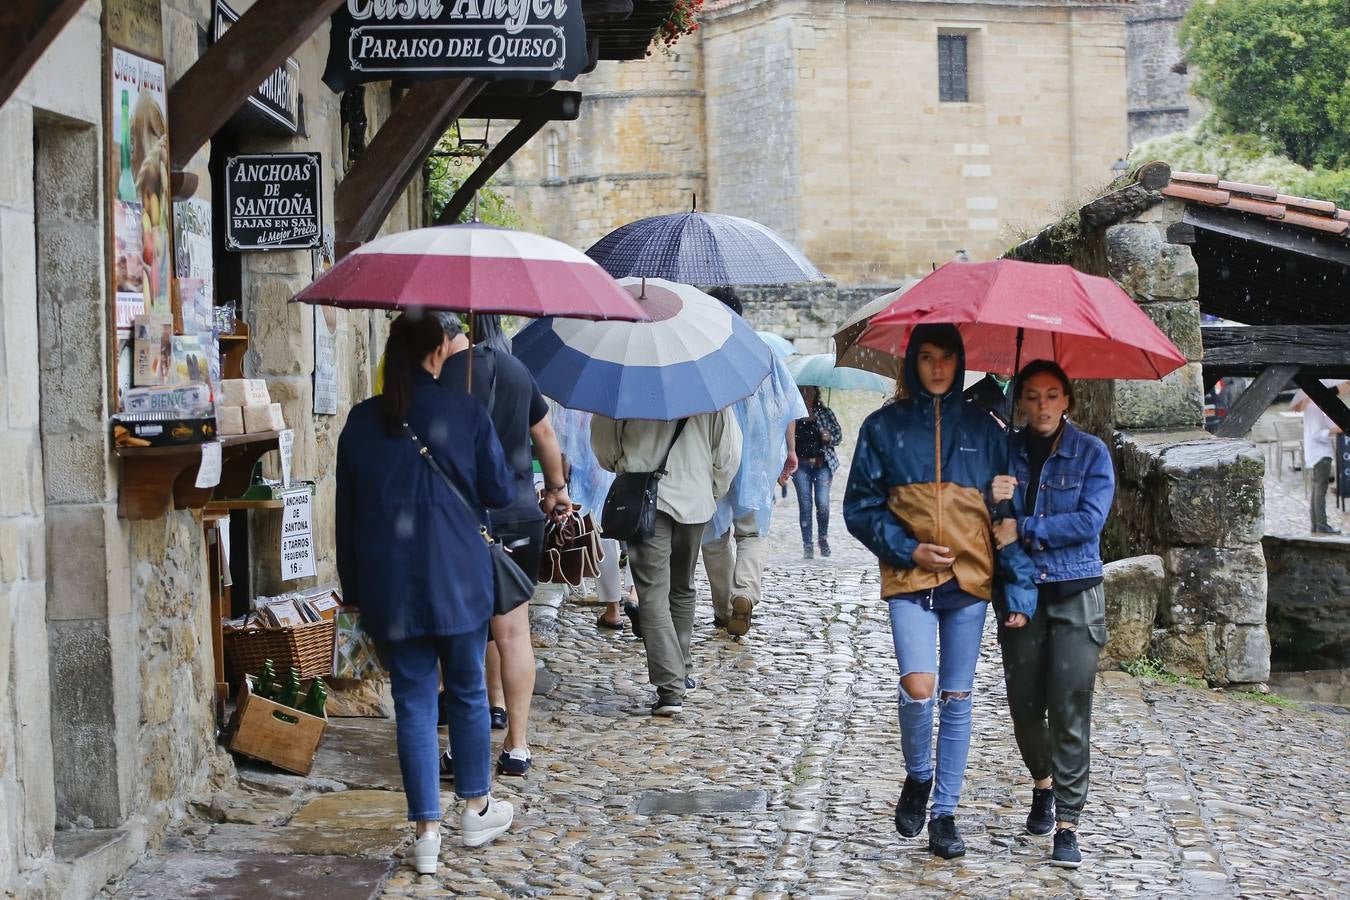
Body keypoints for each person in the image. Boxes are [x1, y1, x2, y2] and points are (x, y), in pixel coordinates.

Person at [843, 323, 1036, 860]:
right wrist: (909, 550)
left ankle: (945, 813)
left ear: (960, 361)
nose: (936, 367)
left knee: (957, 697)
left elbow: (1007, 518)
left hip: (969, 582)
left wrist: (1018, 591)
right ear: (912, 362)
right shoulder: (883, 429)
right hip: (910, 579)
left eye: (946, 357)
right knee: (918, 686)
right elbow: (859, 507)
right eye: (926, 357)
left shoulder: (987, 430)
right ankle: (919, 775)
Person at [335, 311, 516, 872]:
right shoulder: (465, 411)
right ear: (439, 349)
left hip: (391, 584)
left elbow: (346, 516)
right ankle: (476, 806)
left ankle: (426, 834)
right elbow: (499, 491)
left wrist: (354, 589)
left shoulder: (363, 421)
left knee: (414, 703)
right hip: (460, 577)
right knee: (465, 691)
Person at [990, 360, 1115, 870]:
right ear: (1020, 400)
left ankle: (1068, 821)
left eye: (1052, 395)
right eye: (1033, 396)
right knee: (1023, 707)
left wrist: (1025, 526)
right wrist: (993, 500)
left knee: (1069, 705)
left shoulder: (1092, 454)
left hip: (1075, 593)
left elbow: (1089, 521)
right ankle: (1042, 782)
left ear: (1068, 401)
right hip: (1021, 597)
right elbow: (991, 525)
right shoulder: (1005, 453)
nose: (1042, 406)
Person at [439, 313, 572, 778]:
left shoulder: (454, 371)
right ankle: (517, 747)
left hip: (464, 515)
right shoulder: (519, 372)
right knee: (514, 633)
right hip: (519, 512)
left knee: (466, 636)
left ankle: (464, 747)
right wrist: (556, 488)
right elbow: (545, 435)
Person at [592, 407, 742, 716]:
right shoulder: (708, 387)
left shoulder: (628, 379)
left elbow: (604, 446)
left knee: (652, 595)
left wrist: (628, 464)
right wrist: (710, 490)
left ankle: (671, 686)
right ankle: (682, 669)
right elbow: (728, 454)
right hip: (695, 500)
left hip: (645, 497)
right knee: (683, 587)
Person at [701, 351, 805, 635]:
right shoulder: (763, 355)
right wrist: (791, 450)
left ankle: (723, 609)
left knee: (713, 537)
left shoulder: (704, 353)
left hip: (714, 455)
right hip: (758, 459)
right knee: (752, 534)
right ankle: (744, 593)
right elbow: (788, 406)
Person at [792, 386, 843, 559]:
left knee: (822, 503)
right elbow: (786, 438)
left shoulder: (825, 412)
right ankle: (807, 544)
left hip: (822, 464)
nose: (807, 394)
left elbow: (838, 435)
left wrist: (828, 437)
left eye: (810, 390)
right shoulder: (794, 413)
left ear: (816, 392)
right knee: (805, 504)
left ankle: (823, 538)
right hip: (801, 465)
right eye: (803, 390)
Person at [1297, 381, 1348, 535]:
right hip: (1321, 453)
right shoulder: (1315, 408)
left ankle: (1315, 524)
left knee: (1316, 488)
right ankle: (1321, 523)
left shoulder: (1310, 405)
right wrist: (1333, 430)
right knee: (1320, 489)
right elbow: (1318, 433)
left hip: (1314, 453)